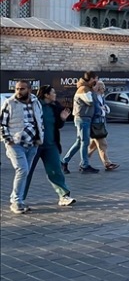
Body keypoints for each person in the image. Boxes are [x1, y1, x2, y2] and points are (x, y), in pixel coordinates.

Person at [23, 85, 76, 207]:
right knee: (26, 171)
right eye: (53, 92)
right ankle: (19, 198)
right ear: (46, 95)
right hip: (34, 144)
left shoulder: (55, 107)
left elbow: (58, 125)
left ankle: (64, 196)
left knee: (55, 170)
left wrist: (62, 119)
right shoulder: (34, 105)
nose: (55, 94)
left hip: (51, 144)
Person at [1, 81, 45, 213]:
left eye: (22, 89)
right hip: (16, 144)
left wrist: (40, 137)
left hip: (32, 143)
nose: (19, 91)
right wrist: (9, 140)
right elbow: (2, 123)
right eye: (17, 89)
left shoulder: (35, 102)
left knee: (25, 171)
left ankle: (18, 199)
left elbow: (40, 120)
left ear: (29, 90)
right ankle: (16, 201)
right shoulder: (10, 103)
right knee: (22, 170)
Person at [61, 72, 98, 173]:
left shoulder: (87, 89)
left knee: (79, 142)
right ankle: (84, 165)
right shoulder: (83, 89)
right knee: (84, 142)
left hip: (85, 118)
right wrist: (94, 91)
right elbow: (90, 102)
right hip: (82, 118)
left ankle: (64, 161)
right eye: (96, 79)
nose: (97, 82)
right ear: (91, 79)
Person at [87, 80, 119, 170]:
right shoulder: (93, 97)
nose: (103, 90)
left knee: (93, 145)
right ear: (98, 88)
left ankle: (84, 159)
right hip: (95, 124)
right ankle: (107, 163)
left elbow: (104, 106)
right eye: (102, 88)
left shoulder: (101, 96)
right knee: (103, 144)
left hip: (101, 123)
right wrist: (102, 111)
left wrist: (105, 109)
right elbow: (95, 110)